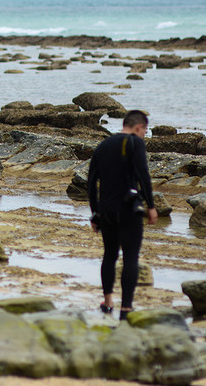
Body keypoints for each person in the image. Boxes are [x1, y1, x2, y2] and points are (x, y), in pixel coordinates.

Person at [86, 109, 159, 321]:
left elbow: (91, 183)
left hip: (106, 210)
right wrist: (151, 206)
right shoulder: (136, 143)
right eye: (145, 129)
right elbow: (142, 174)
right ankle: (126, 309)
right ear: (138, 127)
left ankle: (108, 301)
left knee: (109, 255)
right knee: (130, 258)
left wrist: (95, 213)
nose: (145, 133)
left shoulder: (103, 145)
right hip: (128, 209)